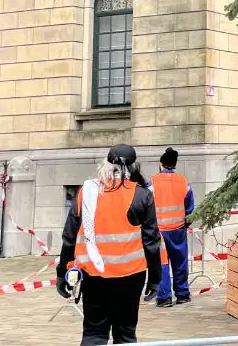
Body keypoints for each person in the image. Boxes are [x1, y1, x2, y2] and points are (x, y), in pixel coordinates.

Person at [58, 144, 163, 345]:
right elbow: (151, 241)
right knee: (125, 335)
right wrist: (155, 279)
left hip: (94, 276)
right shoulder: (142, 195)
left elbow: (69, 237)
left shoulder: (87, 192)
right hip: (130, 276)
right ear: (134, 167)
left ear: (106, 164)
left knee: (94, 334)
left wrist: (62, 272)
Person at [150, 147, 195, 307]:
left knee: (161, 264)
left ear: (161, 164)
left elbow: (145, 205)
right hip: (178, 229)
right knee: (180, 262)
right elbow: (190, 208)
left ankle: (164, 298)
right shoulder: (183, 181)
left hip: (158, 231)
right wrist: (185, 223)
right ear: (175, 165)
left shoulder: (152, 182)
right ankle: (182, 294)